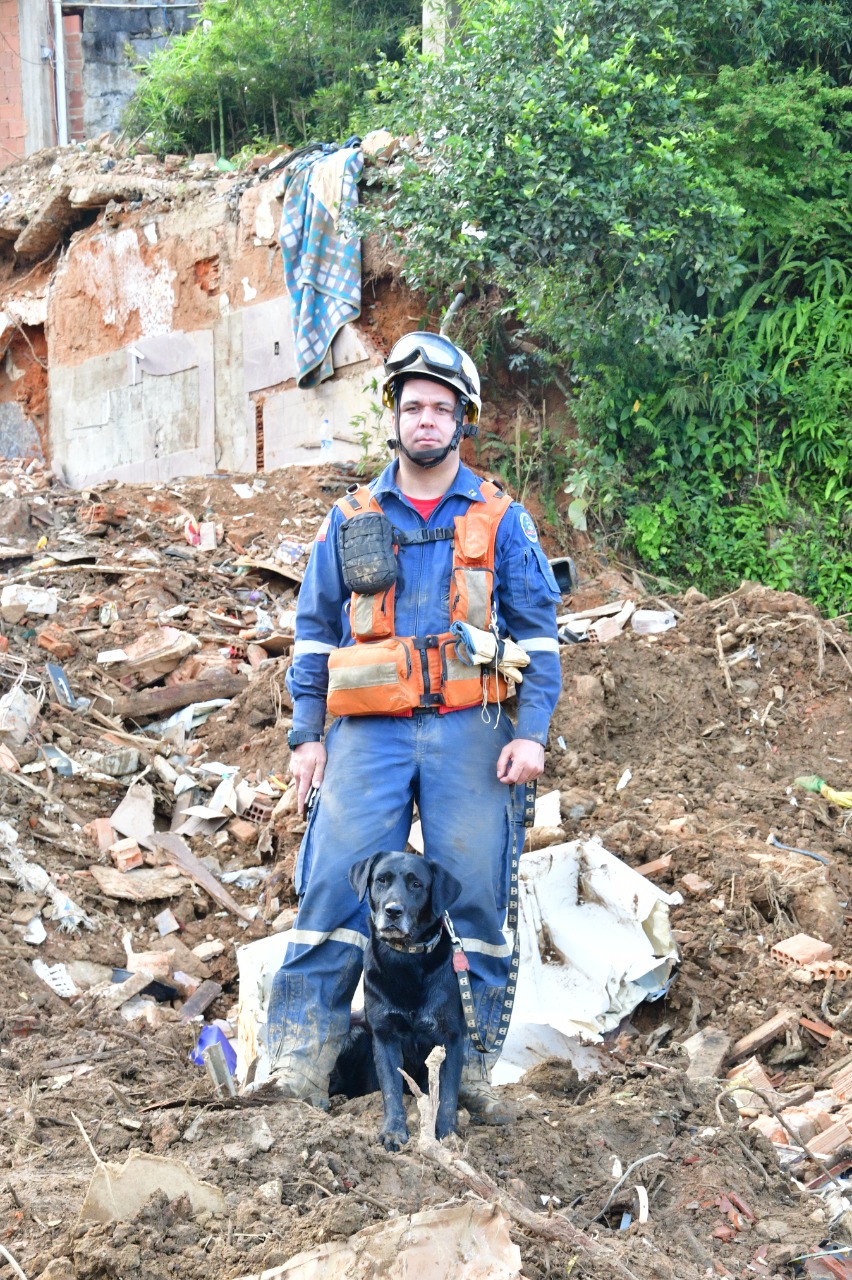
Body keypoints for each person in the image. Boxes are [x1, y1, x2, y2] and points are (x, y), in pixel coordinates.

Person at [266, 331, 562, 1121]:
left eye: (441, 408)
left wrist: (530, 732)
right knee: (333, 888)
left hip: (473, 730)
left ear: (461, 422)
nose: (425, 420)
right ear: (393, 417)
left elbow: (537, 636)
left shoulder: (501, 519)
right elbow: (314, 634)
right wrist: (307, 736)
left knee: (475, 903)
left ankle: (473, 1076)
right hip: (369, 734)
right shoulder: (351, 518)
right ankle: (297, 1066)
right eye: (412, 406)